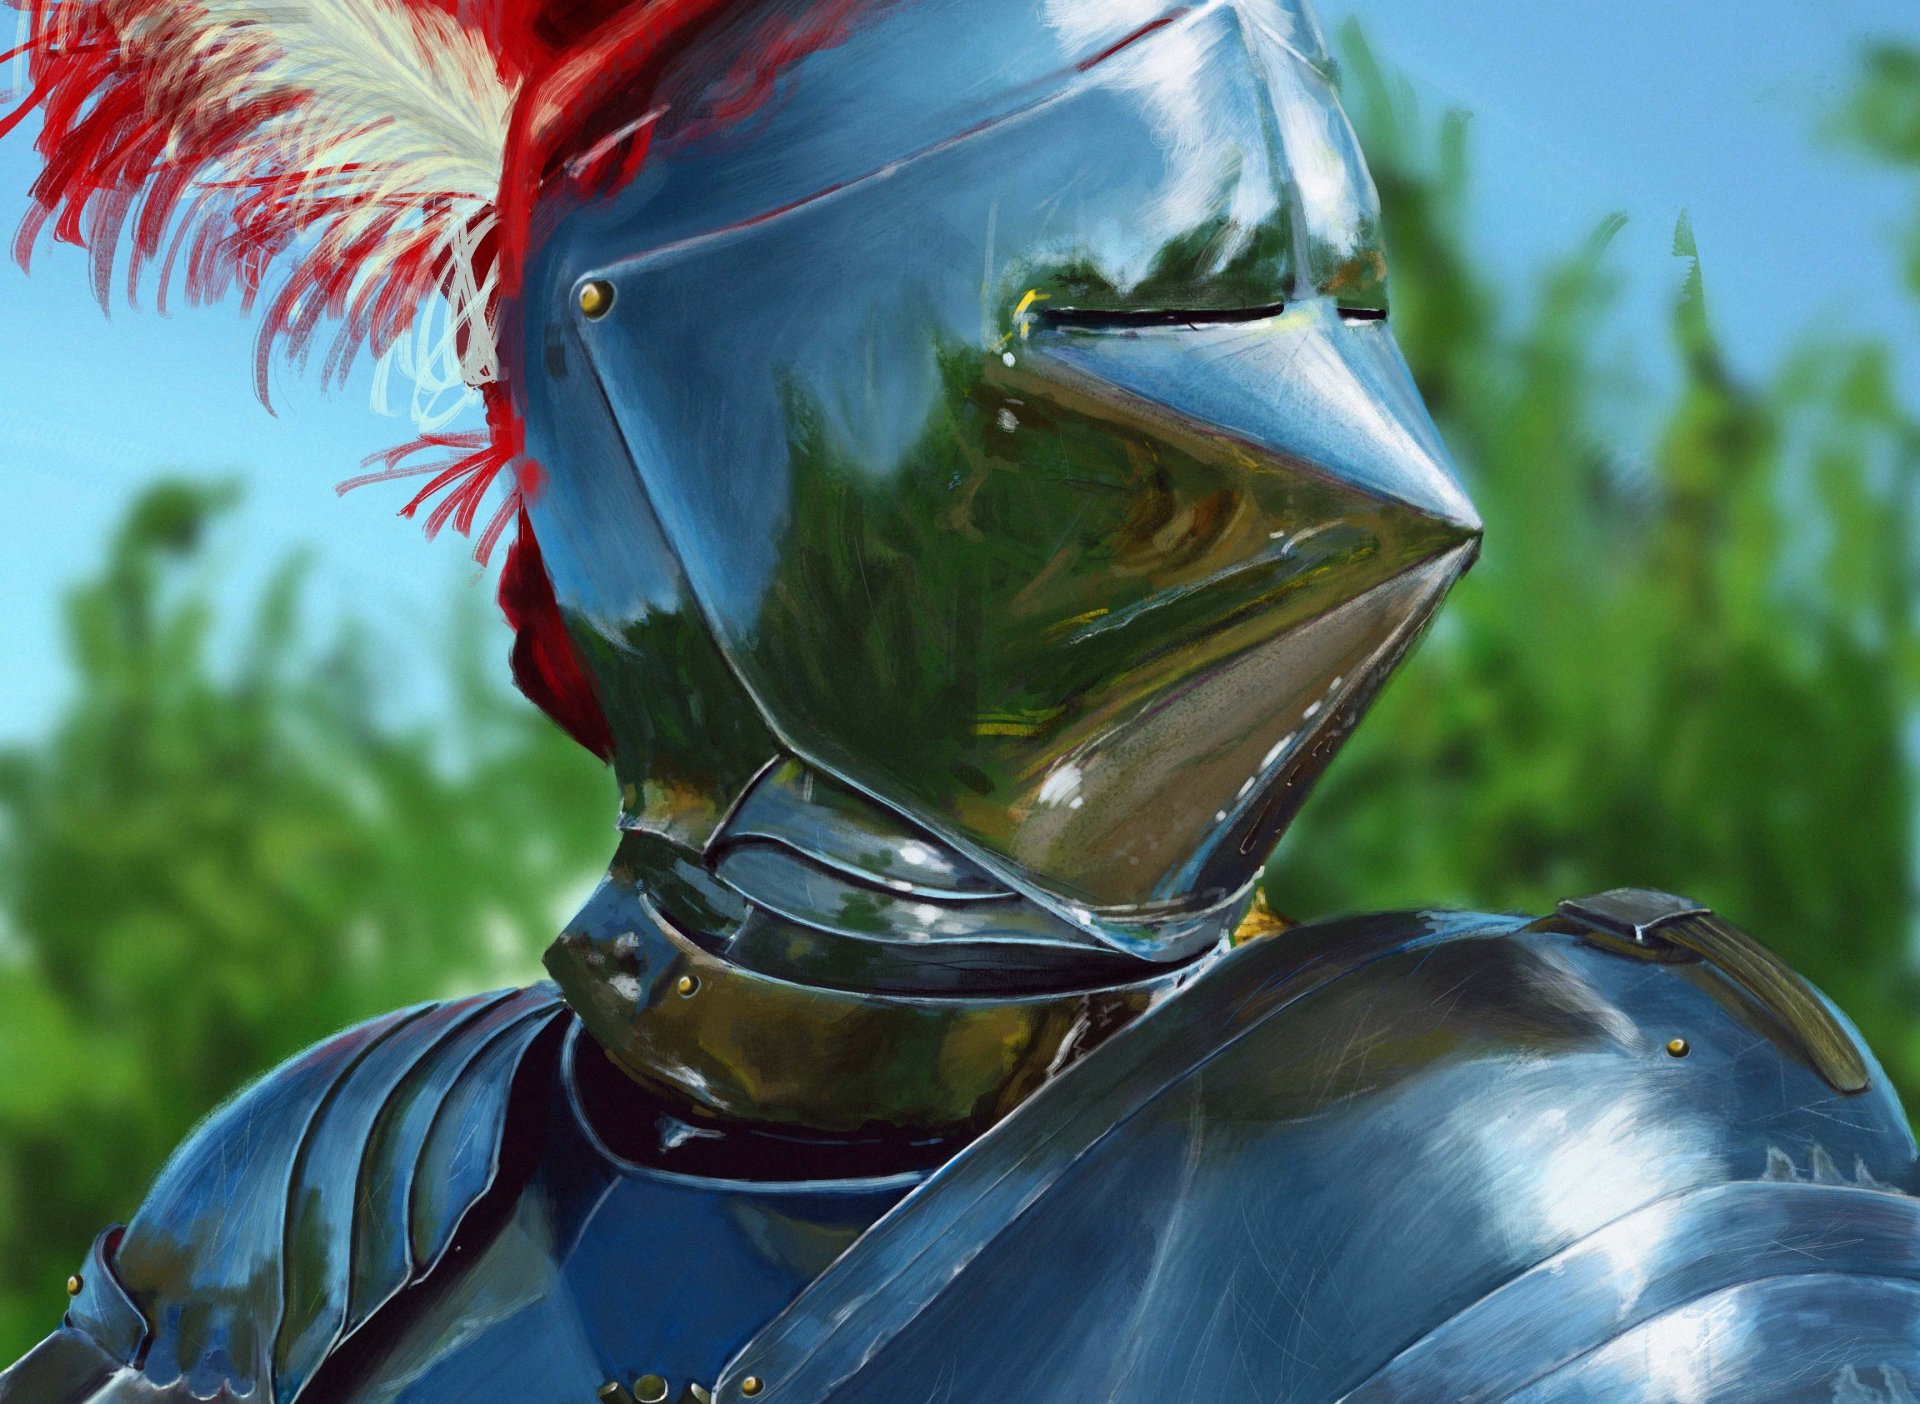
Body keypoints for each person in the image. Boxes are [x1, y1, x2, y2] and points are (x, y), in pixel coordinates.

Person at [5, 0, 1919, 1399]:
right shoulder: (323, 1197)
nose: (1346, 485)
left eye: (1325, 321)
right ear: (724, 440)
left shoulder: (1543, 1157)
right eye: (1134, 340)